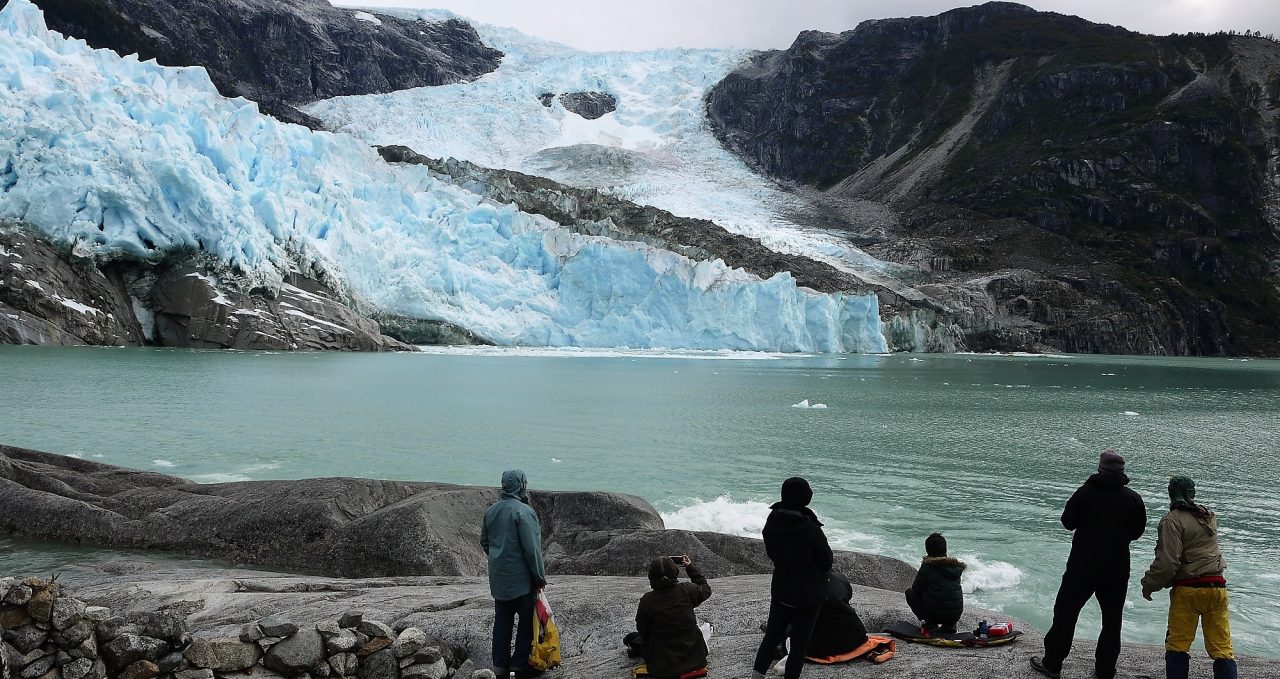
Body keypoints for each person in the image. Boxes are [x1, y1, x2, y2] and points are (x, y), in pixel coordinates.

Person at [1032, 450, 1147, 679]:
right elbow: (1137, 533)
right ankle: (1105, 670)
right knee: (1112, 621)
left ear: (1100, 469)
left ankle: (1052, 664)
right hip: (1116, 568)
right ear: (1122, 473)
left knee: (1066, 613)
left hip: (1082, 567)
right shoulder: (1132, 498)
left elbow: (1067, 522)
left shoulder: (1085, 493)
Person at [1140, 476, 1237, 679]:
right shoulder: (1208, 516)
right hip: (1218, 588)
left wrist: (1150, 584)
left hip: (1189, 590)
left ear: (1171, 493)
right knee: (1222, 648)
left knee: (1178, 645)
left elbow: (1168, 563)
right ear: (1192, 493)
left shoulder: (1171, 520)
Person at [751, 477, 834, 679]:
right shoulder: (809, 527)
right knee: (799, 644)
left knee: (771, 637)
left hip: (782, 587)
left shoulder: (772, 521)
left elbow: (773, 553)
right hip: (808, 593)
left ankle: (756, 676)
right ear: (804, 496)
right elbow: (826, 561)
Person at [480, 470, 548, 679]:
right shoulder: (524, 512)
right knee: (526, 623)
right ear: (521, 486)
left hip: (499, 580)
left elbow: (485, 542)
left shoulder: (491, 511)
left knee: (502, 622)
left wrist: (499, 559)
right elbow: (532, 549)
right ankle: (519, 666)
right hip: (522, 581)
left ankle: (500, 667)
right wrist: (539, 577)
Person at [631, 555, 713, 678]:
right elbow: (706, 589)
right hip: (696, 657)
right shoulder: (687, 590)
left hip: (663, 664)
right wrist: (690, 567)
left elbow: (643, 630)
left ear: (651, 576)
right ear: (675, 572)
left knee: (631, 638)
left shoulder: (647, 600)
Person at [903, 532, 965, 634]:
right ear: (945, 549)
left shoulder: (928, 567)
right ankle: (950, 625)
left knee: (909, 593)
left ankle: (929, 624)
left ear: (928, 550)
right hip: (955, 615)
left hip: (935, 614)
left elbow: (915, 590)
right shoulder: (956, 567)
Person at [806, 571, 870, 658]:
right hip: (857, 640)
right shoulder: (840, 578)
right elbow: (847, 597)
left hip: (820, 648)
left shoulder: (800, 583)